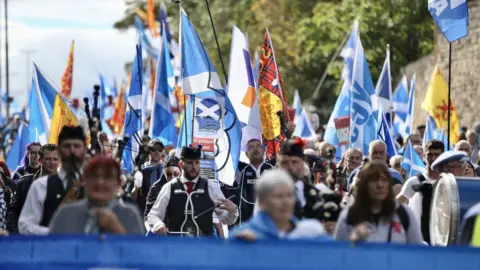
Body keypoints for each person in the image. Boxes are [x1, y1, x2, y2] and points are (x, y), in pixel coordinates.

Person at [147, 145, 238, 236]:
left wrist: (233, 210)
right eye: (190, 163)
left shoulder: (210, 186)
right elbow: (153, 215)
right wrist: (158, 225)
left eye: (197, 162)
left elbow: (227, 220)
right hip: (176, 245)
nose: (194, 167)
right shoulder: (169, 187)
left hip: (203, 246)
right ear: (181, 165)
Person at [49, 156, 144, 235]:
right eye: (94, 176)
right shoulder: (66, 214)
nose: (100, 182)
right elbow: (50, 252)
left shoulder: (130, 215)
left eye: (107, 177)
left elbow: (138, 255)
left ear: (118, 183)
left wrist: (116, 228)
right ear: (84, 180)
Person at [18, 126, 86, 235]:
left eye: (77, 146)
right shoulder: (40, 185)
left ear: (84, 150)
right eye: (67, 146)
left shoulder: (94, 184)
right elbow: (25, 226)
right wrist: (53, 233)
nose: (72, 151)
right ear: (59, 150)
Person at [334, 162, 423, 244]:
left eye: (384, 180)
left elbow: (416, 252)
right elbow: (337, 254)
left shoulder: (403, 214)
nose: (380, 185)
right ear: (364, 185)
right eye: (374, 180)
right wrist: (352, 242)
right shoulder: (349, 216)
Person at [230, 170, 331, 240]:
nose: (286, 201)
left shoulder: (310, 233)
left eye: (289, 195)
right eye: (279, 196)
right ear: (262, 201)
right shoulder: (242, 236)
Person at [396, 140, 444, 244]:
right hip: (419, 241)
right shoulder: (414, 181)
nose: (433, 158)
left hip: (441, 239)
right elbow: (396, 205)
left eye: (437, 155)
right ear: (424, 156)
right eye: (430, 154)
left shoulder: (447, 182)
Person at [7, 144, 59, 233]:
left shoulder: (66, 184)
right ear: (40, 160)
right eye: (48, 159)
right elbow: (12, 211)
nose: (52, 162)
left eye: (55, 159)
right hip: (28, 238)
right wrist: (15, 234)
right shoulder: (24, 183)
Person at [221, 139, 274, 226]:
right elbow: (226, 156)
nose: (255, 149)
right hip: (246, 222)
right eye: (251, 147)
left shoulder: (273, 168)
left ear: (263, 150)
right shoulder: (240, 170)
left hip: (269, 221)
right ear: (246, 154)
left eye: (258, 146)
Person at [134, 139, 165, 214]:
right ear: (149, 151)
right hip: (143, 211)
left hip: (161, 211)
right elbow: (133, 196)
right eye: (154, 149)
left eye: (159, 149)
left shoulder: (166, 170)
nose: (157, 152)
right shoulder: (140, 169)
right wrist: (136, 187)